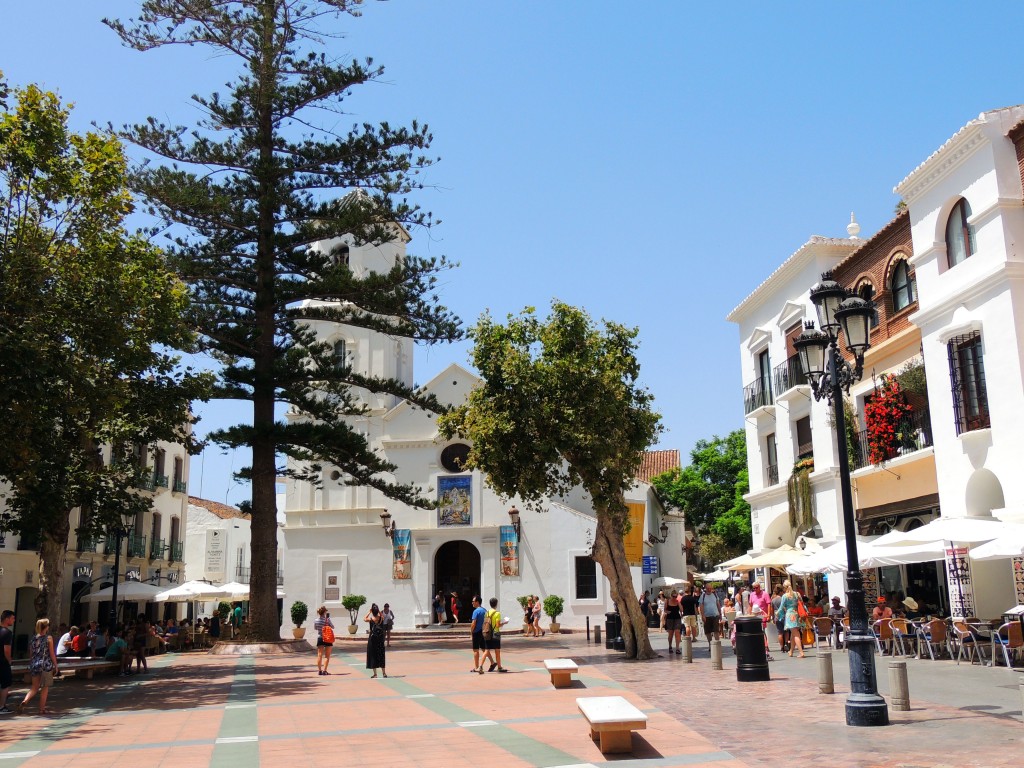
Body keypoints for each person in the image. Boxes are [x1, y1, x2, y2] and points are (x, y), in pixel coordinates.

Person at [18, 618, 58, 715]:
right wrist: (56, 665)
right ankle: (41, 709)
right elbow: (52, 653)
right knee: (45, 688)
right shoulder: (49, 638)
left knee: (34, 687)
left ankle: (25, 700)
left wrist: (31, 664)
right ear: (46, 627)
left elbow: (31, 654)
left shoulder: (33, 638)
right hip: (45, 664)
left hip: (35, 663)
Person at [776, 581, 804, 658]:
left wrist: (777, 614)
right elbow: (802, 604)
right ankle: (791, 651)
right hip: (797, 614)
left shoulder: (785, 596)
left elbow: (781, 607)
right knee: (793, 633)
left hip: (790, 615)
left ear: (784, 588)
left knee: (796, 634)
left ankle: (801, 652)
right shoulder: (797, 594)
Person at [483, 597, 509, 672]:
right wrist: (504, 622)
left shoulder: (487, 613)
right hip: (495, 633)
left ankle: (481, 666)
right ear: (496, 604)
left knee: (487, 650)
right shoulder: (497, 613)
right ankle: (499, 667)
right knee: (497, 651)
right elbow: (498, 625)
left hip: (488, 633)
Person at [364, 604, 387, 678]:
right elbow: (383, 617)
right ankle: (384, 673)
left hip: (372, 639)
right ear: (377, 611)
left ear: (372, 611)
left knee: (373, 655)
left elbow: (364, 618)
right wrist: (379, 612)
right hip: (380, 639)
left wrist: (369, 612)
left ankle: (375, 674)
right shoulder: (381, 618)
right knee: (381, 654)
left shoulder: (371, 619)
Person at [0, 610, 14, 715]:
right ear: (7, 619)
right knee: (5, 683)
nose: (13, 620)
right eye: (12, 618)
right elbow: (7, 650)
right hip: (3, 662)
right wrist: (9, 660)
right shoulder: (7, 633)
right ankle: (2, 706)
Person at [314, 606, 335, 676]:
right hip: (328, 638)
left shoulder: (316, 620)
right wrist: (328, 621)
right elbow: (333, 627)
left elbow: (315, 628)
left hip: (320, 638)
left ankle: (319, 670)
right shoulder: (327, 620)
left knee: (319, 655)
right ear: (325, 612)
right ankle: (325, 671)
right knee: (327, 656)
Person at [469, 595, 487, 674]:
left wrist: (471, 632)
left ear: (477, 602)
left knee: (475, 650)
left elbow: (473, 623)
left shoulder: (476, 611)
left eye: (473, 601)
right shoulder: (484, 610)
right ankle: (493, 662)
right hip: (483, 631)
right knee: (484, 649)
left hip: (476, 632)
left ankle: (476, 667)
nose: (472, 602)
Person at [664, 589, 683, 654]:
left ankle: (677, 648)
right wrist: (667, 611)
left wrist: (678, 603)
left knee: (677, 633)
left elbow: (681, 609)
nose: (674, 598)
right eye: (673, 596)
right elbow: (665, 610)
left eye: (676, 596)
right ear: (671, 596)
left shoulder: (677, 601)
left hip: (677, 618)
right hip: (670, 618)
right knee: (670, 634)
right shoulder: (667, 601)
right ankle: (670, 646)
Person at [771, 585, 786, 652]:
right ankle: (785, 645)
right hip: (784, 615)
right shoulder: (782, 598)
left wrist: (773, 617)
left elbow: (772, 610)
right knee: (786, 631)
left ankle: (781, 646)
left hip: (776, 616)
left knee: (780, 632)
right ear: (780, 591)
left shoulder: (773, 600)